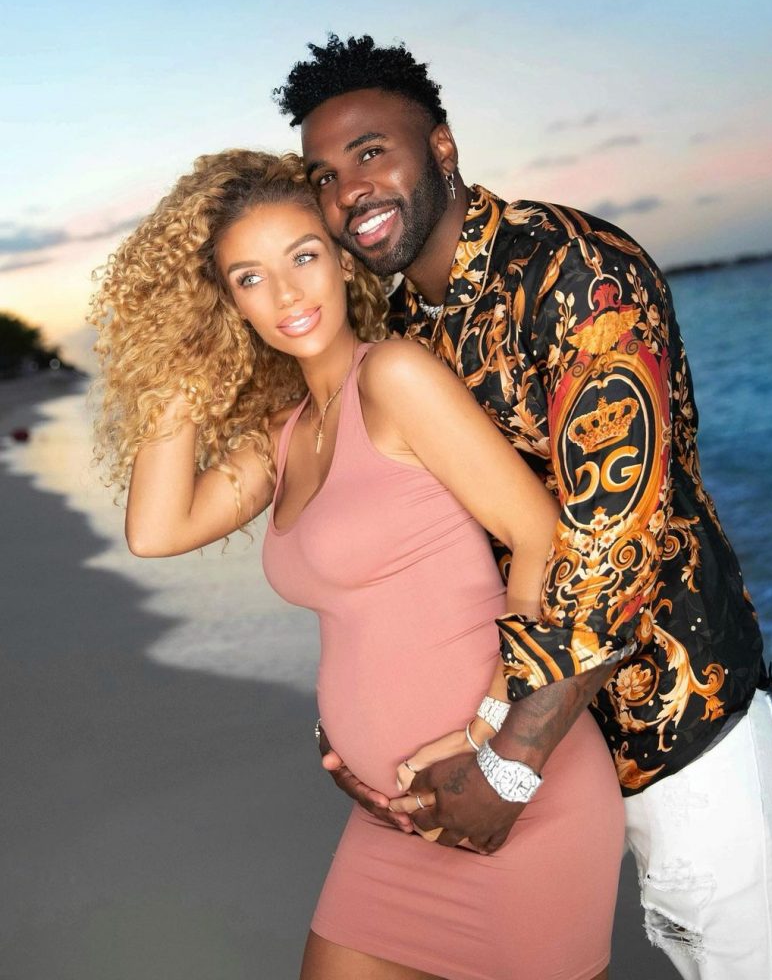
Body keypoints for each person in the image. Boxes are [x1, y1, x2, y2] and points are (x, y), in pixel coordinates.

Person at [276, 34, 772, 979]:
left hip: (670, 724)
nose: (348, 191)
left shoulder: (574, 271)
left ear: (441, 147)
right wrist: (363, 721)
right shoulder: (399, 333)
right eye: (324, 175)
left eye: (370, 152)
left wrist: (511, 763)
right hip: (506, 749)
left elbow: (612, 545)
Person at [90, 149, 624, 980]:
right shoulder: (279, 436)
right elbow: (158, 530)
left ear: (343, 260)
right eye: (249, 278)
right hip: (390, 818)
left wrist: (488, 736)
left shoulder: (396, 377)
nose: (286, 295)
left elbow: (539, 535)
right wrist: (181, 357)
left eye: (302, 256)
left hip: (511, 796)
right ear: (226, 302)